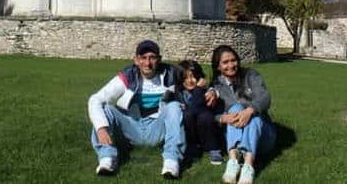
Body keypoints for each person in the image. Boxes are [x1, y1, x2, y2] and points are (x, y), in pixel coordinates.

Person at [88, 39, 185, 179]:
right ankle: (107, 158)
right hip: (131, 127)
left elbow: (193, 79)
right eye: (143, 58)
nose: (147, 63)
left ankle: (171, 161)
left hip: (156, 127)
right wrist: (101, 128)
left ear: (159, 59)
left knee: (174, 107)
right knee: (106, 108)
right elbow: (95, 99)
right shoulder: (128, 76)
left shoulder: (171, 72)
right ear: (136, 60)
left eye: (152, 57)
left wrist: (210, 89)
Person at [206, 45, 277, 184]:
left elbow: (265, 97)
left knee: (253, 114)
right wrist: (221, 118)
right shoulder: (215, 87)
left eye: (233, 60)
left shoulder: (250, 75)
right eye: (225, 62)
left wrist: (250, 110)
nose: (231, 65)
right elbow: (208, 116)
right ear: (218, 66)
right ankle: (233, 162)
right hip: (235, 138)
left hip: (263, 137)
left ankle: (248, 166)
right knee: (235, 108)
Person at [172, 59, 224, 164]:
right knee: (187, 115)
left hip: (208, 129)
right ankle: (193, 146)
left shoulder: (206, 91)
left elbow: (196, 106)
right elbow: (189, 110)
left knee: (205, 115)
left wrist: (199, 89)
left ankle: (213, 149)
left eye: (193, 76)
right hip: (190, 130)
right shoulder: (178, 92)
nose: (190, 81)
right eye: (185, 77)